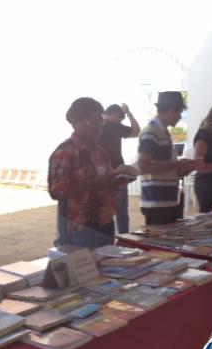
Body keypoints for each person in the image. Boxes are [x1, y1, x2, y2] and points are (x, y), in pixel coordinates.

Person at [48, 97, 130, 248]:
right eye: (94, 122)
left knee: (106, 269)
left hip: (105, 222)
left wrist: (118, 180)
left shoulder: (99, 151)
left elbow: (108, 179)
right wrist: (99, 182)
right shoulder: (65, 152)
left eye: (101, 121)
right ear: (76, 122)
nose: (100, 127)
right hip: (80, 228)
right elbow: (57, 192)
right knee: (85, 270)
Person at [137, 91, 201, 225]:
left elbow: (164, 166)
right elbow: (143, 167)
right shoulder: (151, 131)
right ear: (171, 111)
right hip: (156, 202)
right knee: (157, 244)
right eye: (179, 113)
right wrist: (177, 165)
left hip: (167, 200)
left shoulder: (163, 132)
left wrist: (183, 169)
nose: (179, 117)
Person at [99, 103, 141, 234]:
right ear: (113, 115)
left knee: (104, 209)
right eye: (120, 118)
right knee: (121, 210)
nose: (120, 121)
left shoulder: (97, 125)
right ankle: (124, 238)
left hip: (99, 173)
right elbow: (136, 131)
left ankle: (109, 240)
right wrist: (129, 113)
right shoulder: (113, 126)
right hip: (117, 172)